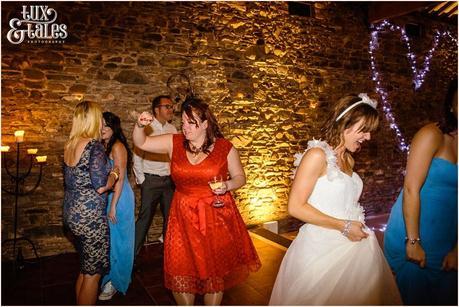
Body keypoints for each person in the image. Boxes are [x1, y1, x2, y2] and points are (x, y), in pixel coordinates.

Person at [269, 93, 402, 305]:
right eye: (364, 130)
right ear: (345, 123)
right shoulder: (316, 155)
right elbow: (295, 207)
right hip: (321, 249)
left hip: (357, 249)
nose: (368, 138)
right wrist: (344, 226)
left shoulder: (348, 159)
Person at [133, 96, 261, 305]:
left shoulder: (224, 148)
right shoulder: (173, 141)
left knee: (213, 271)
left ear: (205, 124)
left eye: (191, 123)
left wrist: (227, 186)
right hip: (182, 215)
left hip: (215, 215)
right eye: (183, 122)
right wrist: (139, 125)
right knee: (181, 268)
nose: (185, 127)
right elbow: (142, 142)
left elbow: (240, 177)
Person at [384, 78, 458, 305]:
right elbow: (410, 188)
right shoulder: (432, 134)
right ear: (452, 103)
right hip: (414, 232)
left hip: (449, 236)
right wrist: (413, 241)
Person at [63, 101, 119, 305]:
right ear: (93, 119)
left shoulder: (70, 144)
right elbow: (102, 186)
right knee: (93, 275)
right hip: (90, 219)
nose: (102, 122)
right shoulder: (93, 146)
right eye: (100, 118)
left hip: (71, 214)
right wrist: (114, 173)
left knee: (85, 268)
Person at [133, 95, 177, 256]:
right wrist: (142, 180)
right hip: (150, 179)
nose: (171, 109)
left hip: (169, 181)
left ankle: (169, 254)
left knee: (171, 218)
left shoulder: (172, 130)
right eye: (168, 106)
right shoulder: (146, 128)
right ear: (156, 109)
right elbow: (137, 154)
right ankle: (131, 257)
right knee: (144, 219)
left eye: (172, 106)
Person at [98, 112, 135, 300]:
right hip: (108, 197)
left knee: (120, 242)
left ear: (114, 128)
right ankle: (108, 277)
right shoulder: (102, 146)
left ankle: (116, 281)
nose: (103, 128)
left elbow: (119, 180)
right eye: (101, 125)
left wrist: (113, 206)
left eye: (107, 125)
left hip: (120, 199)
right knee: (109, 241)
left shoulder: (118, 147)